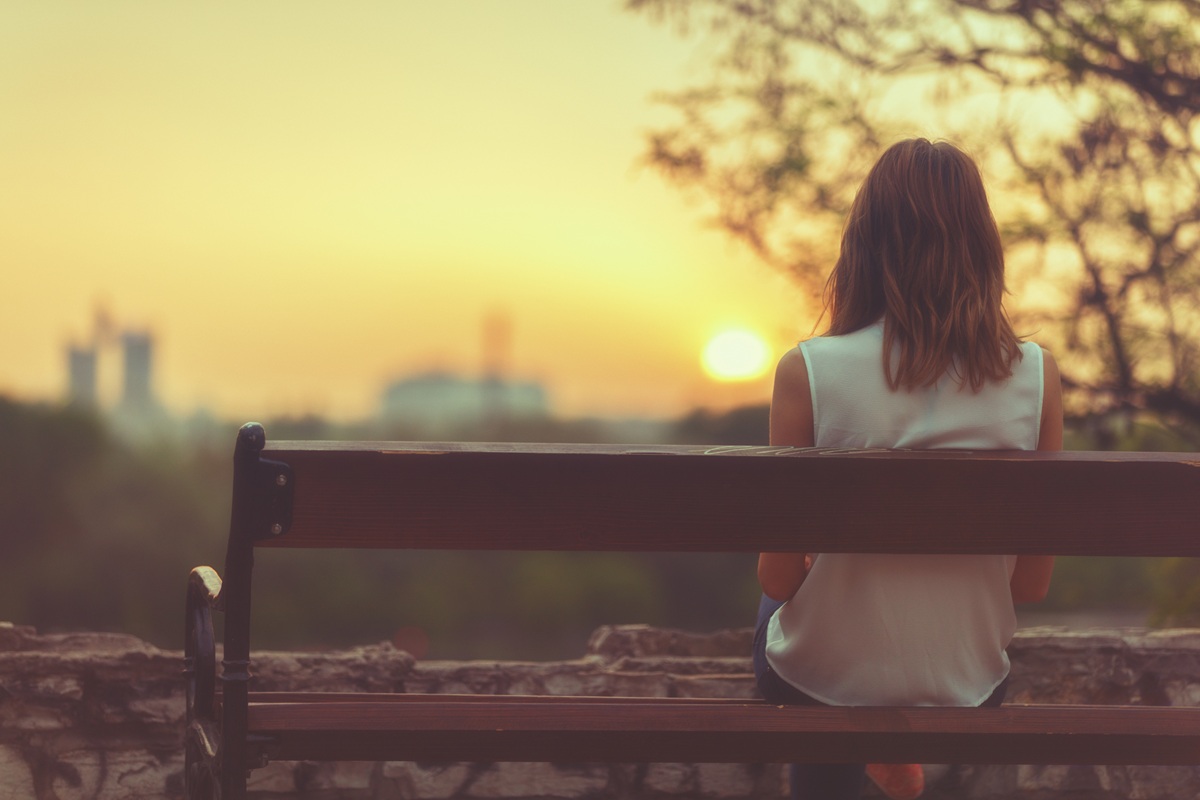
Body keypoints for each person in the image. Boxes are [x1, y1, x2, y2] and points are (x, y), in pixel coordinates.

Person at [753, 138, 1063, 800]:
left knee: (792, 632)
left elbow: (779, 574)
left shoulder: (807, 371)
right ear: (981, 246)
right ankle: (889, 754)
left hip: (824, 675)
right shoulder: (1037, 377)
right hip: (969, 679)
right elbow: (1031, 584)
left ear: (864, 244)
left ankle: (870, 754)